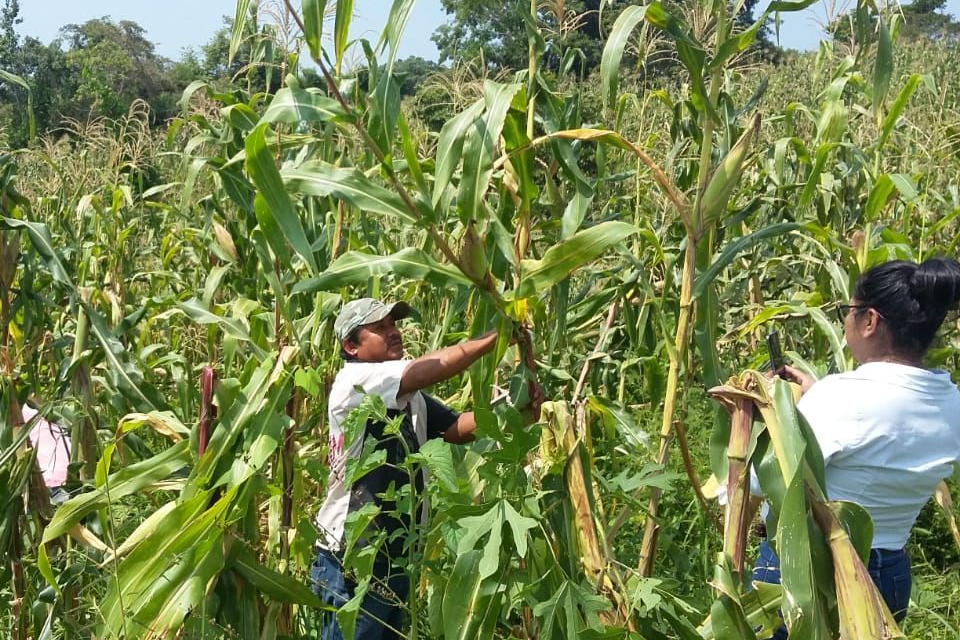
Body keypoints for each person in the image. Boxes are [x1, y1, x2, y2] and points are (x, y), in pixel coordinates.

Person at [311, 297, 539, 640]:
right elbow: (432, 366)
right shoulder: (355, 383)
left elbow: (456, 430)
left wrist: (514, 404)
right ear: (351, 346)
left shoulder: (406, 396)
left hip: (397, 555)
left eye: (394, 325)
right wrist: (497, 336)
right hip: (354, 556)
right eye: (380, 328)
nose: (394, 333)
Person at [756, 257, 960, 637]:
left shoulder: (841, 398)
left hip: (811, 567)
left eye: (847, 311)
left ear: (869, 321)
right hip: (890, 574)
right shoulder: (952, 403)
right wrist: (815, 400)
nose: (845, 321)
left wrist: (778, 416)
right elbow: (877, 440)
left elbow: (759, 481)